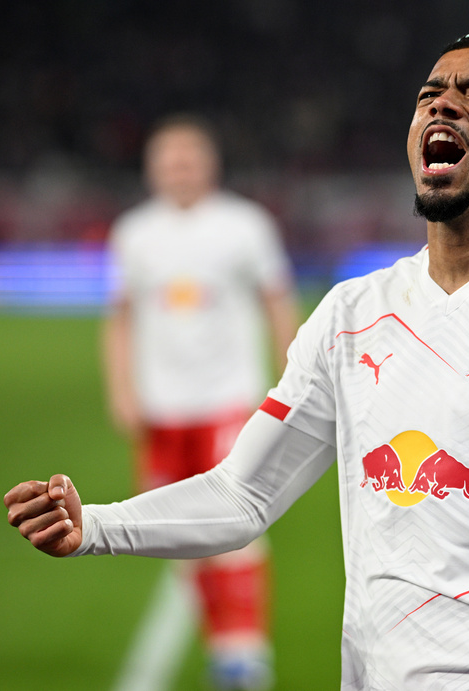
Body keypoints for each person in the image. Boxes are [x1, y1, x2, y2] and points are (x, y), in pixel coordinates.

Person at [5, 34, 469, 690]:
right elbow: (243, 495)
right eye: (431, 93)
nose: (444, 102)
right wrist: (92, 526)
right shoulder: (351, 315)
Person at [103, 114, 299, 691]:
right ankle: (223, 641)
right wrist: (122, 389)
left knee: (235, 525)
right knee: (175, 534)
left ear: (208, 164)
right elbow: (119, 318)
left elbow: (276, 301)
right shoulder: (133, 233)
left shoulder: (244, 226)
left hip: (226, 402)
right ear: (152, 168)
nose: (178, 168)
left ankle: (244, 650)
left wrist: (291, 379)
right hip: (162, 408)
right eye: (167, 159)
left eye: (188, 157)